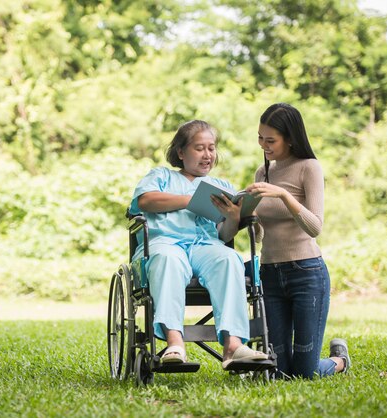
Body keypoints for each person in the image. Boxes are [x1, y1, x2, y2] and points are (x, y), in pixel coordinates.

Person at [130, 119, 268, 369]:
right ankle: (174, 343)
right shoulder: (161, 176)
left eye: (212, 148)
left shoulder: (222, 186)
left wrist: (234, 217)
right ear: (181, 152)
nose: (208, 155)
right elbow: (145, 201)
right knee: (167, 259)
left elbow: (224, 236)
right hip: (165, 243)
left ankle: (233, 346)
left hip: (205, 246)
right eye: (199, 148)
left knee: (229, 258)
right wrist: (189, 199)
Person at [245, 103, 351, 379]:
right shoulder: (262, 172)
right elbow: (258, 236)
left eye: (271, 140)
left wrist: (283, 195)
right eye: (260, 138)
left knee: (305, 373)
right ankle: (320, 362)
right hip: (269, 273)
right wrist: (246, 215)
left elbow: (315, 226)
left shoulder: (309, 168)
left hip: (306, 273)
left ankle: (339, 360)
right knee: (280, 373)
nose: (263, 146)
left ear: (290, 138)